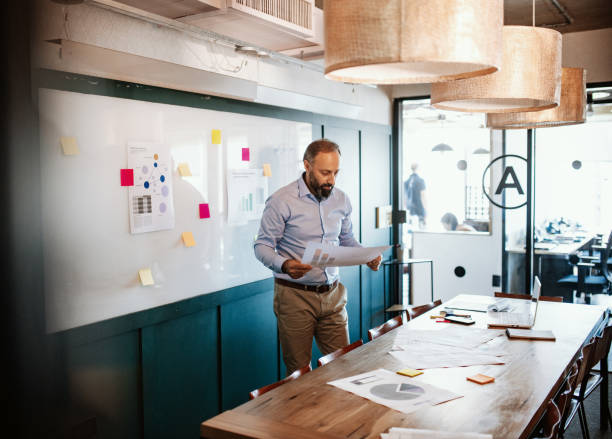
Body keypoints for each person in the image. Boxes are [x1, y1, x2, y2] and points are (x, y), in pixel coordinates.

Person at [254, 139, 382, 374]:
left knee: (344, 365)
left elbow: (346, 240)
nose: (331, 180)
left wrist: (367, 256)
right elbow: (261, 246)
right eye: (325, 173)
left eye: (335, 173)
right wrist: (284, 264)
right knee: (299, 372)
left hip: (333, 295)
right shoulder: (282, 200)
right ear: (307, 165)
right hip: (294, 296)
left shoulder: (341, 199)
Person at [404, 163, 427, 228]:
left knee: (411, 228)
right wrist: (426, 210)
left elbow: (405, 197)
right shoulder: (420, 180)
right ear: (418, 169)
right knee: (422, 229)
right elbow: (423, 196)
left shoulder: (406, 181)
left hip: (410, 209)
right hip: (419, 209)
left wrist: (405, 208)